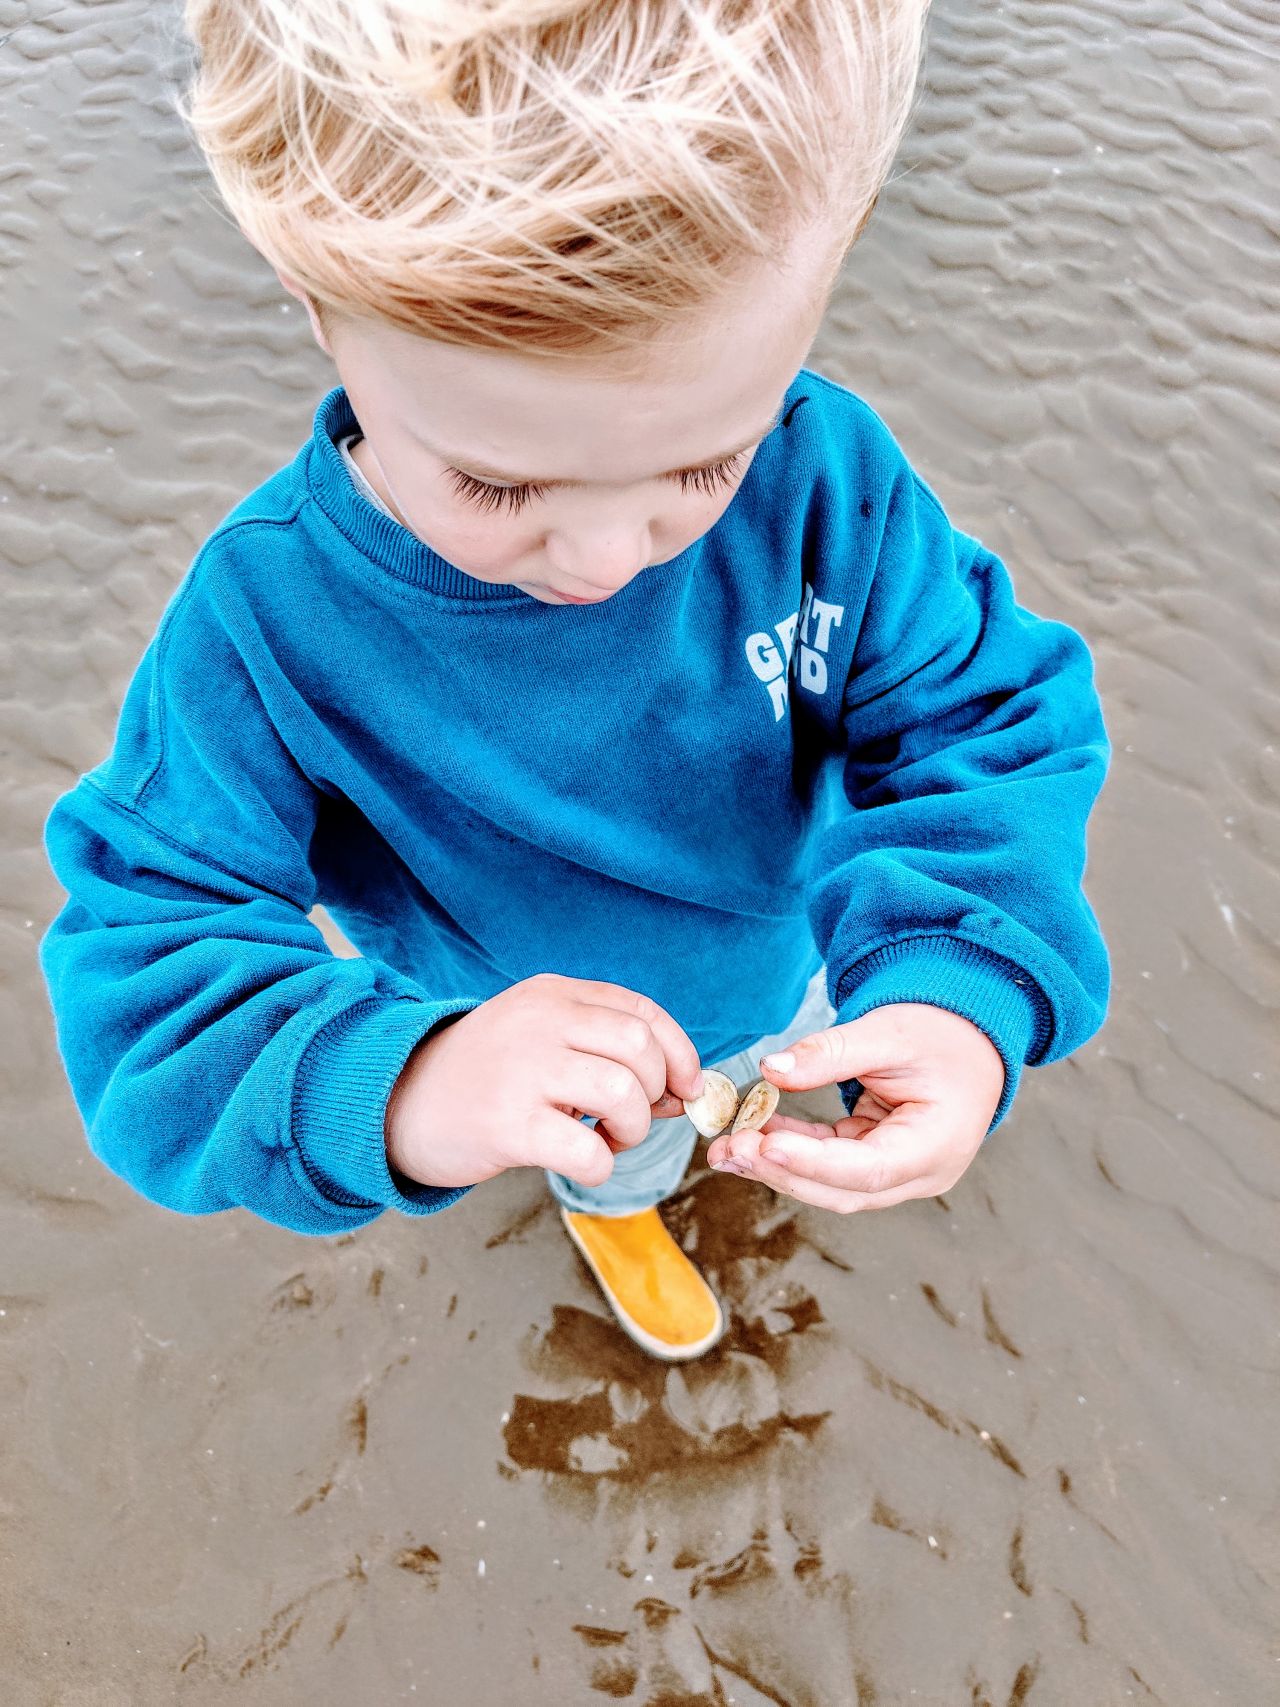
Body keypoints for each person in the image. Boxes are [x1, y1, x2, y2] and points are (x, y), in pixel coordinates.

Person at [38, 0, 1110, 1363]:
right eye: (498, 481)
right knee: (623, 1145)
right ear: (318, 310)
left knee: (800, 1046)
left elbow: (985, 715)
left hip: (790, 968)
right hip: (535, 1041)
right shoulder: (269, 626)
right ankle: (614, 1200)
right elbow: (149, 966)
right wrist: (419, 1081)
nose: (607, 555)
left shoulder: (829, 484)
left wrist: (958, 989)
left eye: (702, 465)